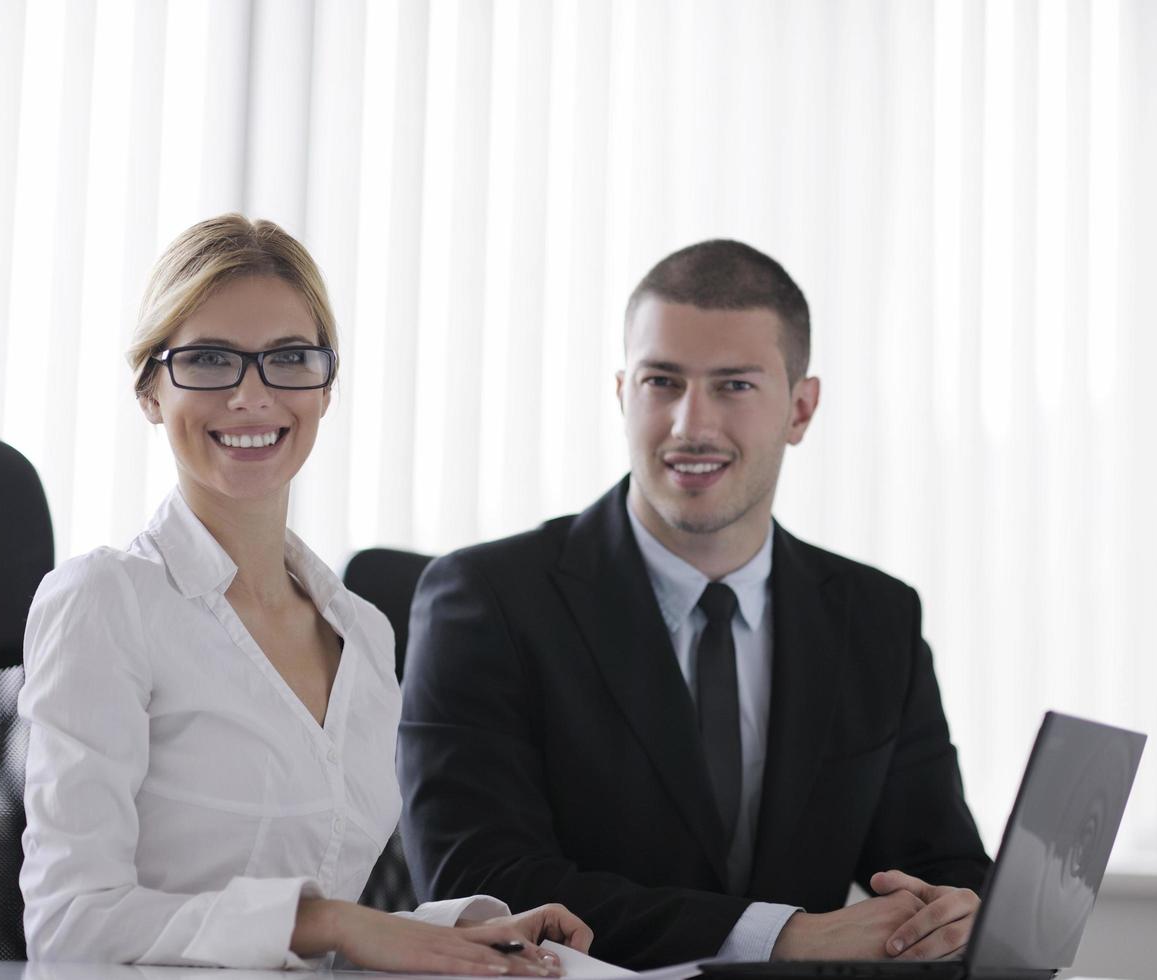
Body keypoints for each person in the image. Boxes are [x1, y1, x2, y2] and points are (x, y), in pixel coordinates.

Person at [18, 214, 591, 970]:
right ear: (151, 391)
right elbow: (70, 926)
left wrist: (450, 936)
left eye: (289, 358)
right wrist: (337, 925)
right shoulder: (106, 604)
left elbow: (314, 917)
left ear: (325, 388)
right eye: (210, 359)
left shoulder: (363, 631)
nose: (253, 396)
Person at [397, 240, 990, 969]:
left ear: (800, 409)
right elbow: (477, 889)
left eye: (734, 386)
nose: (690, 425)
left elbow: (944, 868)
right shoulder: (486, 601)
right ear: (622, 394)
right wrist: (786, 936)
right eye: (662, 382)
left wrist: (957, 915)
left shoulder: (876, 618)